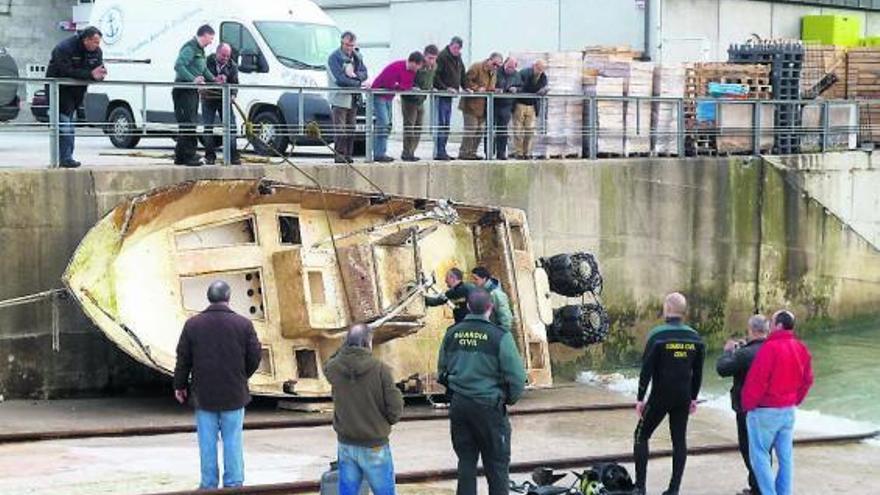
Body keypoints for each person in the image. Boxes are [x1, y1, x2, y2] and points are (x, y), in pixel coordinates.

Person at [173, 281, 262, 489]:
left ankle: (209, 484)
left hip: (204, 394)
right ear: (229, 297)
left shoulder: (193, 324)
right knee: (233, 440)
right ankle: (233, 483)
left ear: (208, 298)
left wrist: (180, 385)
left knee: (207, 442)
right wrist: (241, 376)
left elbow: (183, 358)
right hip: (234, 392)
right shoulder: (243, 324)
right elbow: (255, 356)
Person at [437, 289, 526, 495]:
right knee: (496, 465)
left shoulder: (452, 333)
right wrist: (507, 399)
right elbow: (517, 378)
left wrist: (455, 389)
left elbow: (441, 371)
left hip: (460, 406)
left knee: (466, 463)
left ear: (468, 306)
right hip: (488, 407)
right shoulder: (500, 337)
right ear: (490, 308)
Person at [632, 292, 705, 495]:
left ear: (667, 309)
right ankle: (673, 490)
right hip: (683, 396)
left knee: (641, 436)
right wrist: (693, 398)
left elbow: (646, 370)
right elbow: (697, 372)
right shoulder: (695, 337)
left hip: (660, 396)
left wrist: (640, 398)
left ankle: (640, 488)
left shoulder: (658, 335)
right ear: (683, 312)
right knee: (679, 441)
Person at [324, 323, 404, 495]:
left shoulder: (333, 368)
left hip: (346, 443)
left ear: (347, 342)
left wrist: (345, 346)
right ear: (368, 342)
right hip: (374, 443)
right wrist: (385, 422)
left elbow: (329, 361)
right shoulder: (380, 369)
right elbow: (395, 410)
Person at [741, 310, 814, 495]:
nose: (770, 326)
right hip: (788, 410)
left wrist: (748, 404)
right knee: (786, 458)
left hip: (765, 411)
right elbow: (808, 379)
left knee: (760, 457)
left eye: (772, 322)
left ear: (779, 325)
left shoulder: (770, 348)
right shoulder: (801, 348)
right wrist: (796, 399)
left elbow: (757, 380)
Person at [716, 315, 769, 495]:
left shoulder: (745, 354)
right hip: (771, 407)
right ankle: (759, 486)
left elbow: (722, 369)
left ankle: (759, 488)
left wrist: (729, 351)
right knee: (764, 450)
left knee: (749, 449)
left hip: (748, 408)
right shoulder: (773, 349)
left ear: (751, 330)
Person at [45, 26, 106, 168]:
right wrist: (89, 74)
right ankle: (65, 158)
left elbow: (97, 69)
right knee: (65, 124)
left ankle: (65, 157)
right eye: (95, 42)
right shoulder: (65, 48)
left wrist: (99, 75)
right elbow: (65, 70)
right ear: (86, 40)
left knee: (69, 124)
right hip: (59, 90)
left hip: (76, 92)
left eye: (99, 43)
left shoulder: (97, 52)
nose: (97, 46)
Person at [173, 24, 216, 166]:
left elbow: (202, 69)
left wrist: (214, 80)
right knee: (188, 122)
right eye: (210, 39)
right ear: (203, 35)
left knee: (190, 121)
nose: (211, 42)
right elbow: (178, 65)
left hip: (192, 91)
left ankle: (180, 156)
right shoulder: (190, 48)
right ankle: (189, 155)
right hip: (184, 90)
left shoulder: (200, 50)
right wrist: (193, 79)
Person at [370, 51, 425, 162]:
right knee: (383, 122)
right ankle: (378, 153)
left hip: (389, 97)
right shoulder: (396, 66)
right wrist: (401, 87)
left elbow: (405, 85)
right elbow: (390, 84)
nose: (418, 69)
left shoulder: (411, 72)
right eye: (418, 66)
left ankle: (381, 152)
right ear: (413, 63)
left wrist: (404, 87)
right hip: (379, 95)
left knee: (388, 124)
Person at [328, 31, 368, 164]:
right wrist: (358, 82)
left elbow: (364, 72)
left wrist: (355, 77)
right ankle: (339, 156)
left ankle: (348, 156)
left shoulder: (357, 56)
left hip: (353, 99)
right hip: (339, 99)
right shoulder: (334, 57)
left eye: (351, 45)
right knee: (340, 129)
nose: (349, 48)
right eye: (347, 45)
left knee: (351, 129)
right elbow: (340, 79)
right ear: (341, 42)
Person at [458, 53, 503, 160]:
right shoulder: (476, 67)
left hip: (483, 107)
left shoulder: (493, 73)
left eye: (498, 66)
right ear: (489, 60)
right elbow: (466, 80)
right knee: (471, 129)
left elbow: (490, 87)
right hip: (471, 105)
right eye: (494, 64)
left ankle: (472, 152)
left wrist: (494, 90)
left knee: (480, 130)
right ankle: (464, 152)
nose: (495, 67)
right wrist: (476, 88)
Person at [202, 43, 240, 165]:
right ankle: (210, 156)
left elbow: (235, 83)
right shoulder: (207, 61)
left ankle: (233, 156)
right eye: (223, 55)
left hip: (225, 99)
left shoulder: (232, 65)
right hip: (209, 98)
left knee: (231, 126)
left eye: (228, 56)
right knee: (208, 127)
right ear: (217, 53)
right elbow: (201, 75)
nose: (225, 58)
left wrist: (233, 95)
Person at [400, 44, 438, 162]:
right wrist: (415, 88)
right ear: (424, 55)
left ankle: (412, 151)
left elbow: (429, 80)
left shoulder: (433, 67)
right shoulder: (418, 65)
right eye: (429, 58)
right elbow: (409, 79)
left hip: (421, 99)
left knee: (418, 127)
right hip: (410, 100)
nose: (431, 61)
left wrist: (431, 87)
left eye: (434, 58)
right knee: (409, 126)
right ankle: (407, 152)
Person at [432, 36, 467, 161]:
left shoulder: (458, 58)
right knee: (441, 123)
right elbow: (435, 76)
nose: (456, 50)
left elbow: (462, 73)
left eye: (458, 48)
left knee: (446, 124)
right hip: (443, 94)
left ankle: (443, 150)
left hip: (451, 95)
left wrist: (465, 87)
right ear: (451, 45)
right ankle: (439, 151)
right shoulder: (442, 56)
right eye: (455, 47)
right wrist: (445, 88)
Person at [512, 60, 548, 159]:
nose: (540, 71)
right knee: (518, 130)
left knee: (530, 130)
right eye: (539, 68)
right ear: (534, 66)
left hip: (532, 105)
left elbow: (544, 86)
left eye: (542, 69)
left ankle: (527, 152)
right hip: (520, 103)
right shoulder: (524, 73)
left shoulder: (543, 77)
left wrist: (543, 90)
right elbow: (518, 86)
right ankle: (518, 152)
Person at [493, 57, 522, 160]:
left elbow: (521, 87)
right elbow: (490, 84)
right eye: (508, 67)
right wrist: (496, 90)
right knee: (490, 129)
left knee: (503, 131)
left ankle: (501, 153)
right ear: (504, 64)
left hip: (507, 105)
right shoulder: (496, 72)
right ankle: (489, 152)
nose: (510, 69)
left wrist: (516, 89)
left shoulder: (517, 75)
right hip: (494, 104)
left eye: (512, 67)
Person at [470, 266, 512, 332]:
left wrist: (502, 333)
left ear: (484, 278)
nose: (473, 281)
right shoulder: (481, 291)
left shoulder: (495, 293)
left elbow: (505, 317)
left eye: (476, 279)